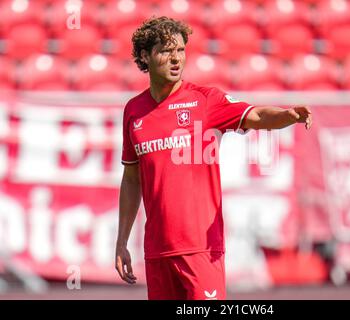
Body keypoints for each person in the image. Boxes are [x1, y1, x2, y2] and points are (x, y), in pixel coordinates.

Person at [115, 16, 312, 300]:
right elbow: (132, 179)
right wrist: (122, 241)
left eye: (181, 50)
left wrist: (287, 116)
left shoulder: (205, 100)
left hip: (201, 250)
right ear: (145, 55)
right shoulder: (134, 111)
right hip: (157, 252)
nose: (176, 59)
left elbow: (254, 115)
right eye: (166, 51)